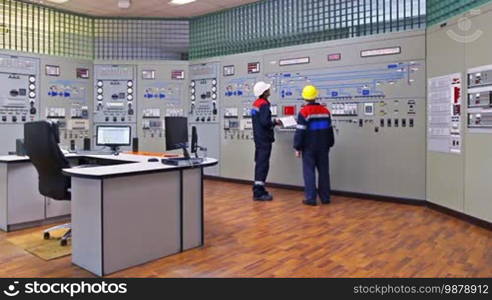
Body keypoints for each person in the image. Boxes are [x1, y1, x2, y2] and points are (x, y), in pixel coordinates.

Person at [293, 85, 335, 206]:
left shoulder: (304, 112)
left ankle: (311, 198)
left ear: (304, 98)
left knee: (309, 171)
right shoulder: (325, 111)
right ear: (315, 96)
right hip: (323, 146)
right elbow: (329, 130)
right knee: (324, 172)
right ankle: (325, 197)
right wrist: (330, 143)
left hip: (309, 147)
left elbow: (300, 132)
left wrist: (297, 147)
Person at [251, 81, 281, 201]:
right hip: (264, 139)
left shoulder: (256, 104)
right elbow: (265, 122)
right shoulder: (263, 104)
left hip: (258, 138)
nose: (269, 90)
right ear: (264, 92)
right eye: (267, 89)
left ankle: (259, 187)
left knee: (260, 163)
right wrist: (275, 122)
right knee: (263, 164)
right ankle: (258, 192)